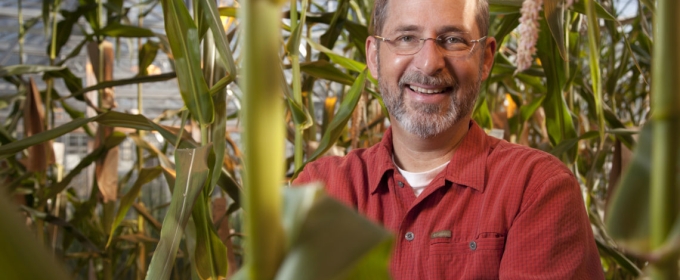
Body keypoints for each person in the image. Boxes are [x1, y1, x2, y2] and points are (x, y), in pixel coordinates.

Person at [294, 0, 605, 278]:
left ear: (485, 58)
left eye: (453, 40)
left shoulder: (537, 189)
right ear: (374, 56)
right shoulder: (320, 192)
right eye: (406, 38)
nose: (429, 62)